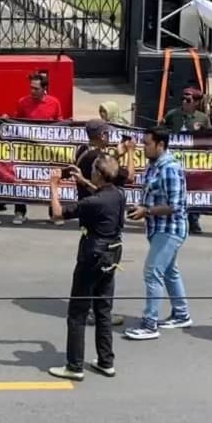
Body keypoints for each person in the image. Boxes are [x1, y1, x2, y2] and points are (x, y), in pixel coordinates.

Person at [46, 155, 125, 381]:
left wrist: (54, 187)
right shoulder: (118, 194)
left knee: (77, 312)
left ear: (98, 173)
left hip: (93, 255)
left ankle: (74, 366)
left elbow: (57, 215)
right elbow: (101, 193)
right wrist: (82, 181)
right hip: (112, 253)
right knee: (103, 309)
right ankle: (106, 361)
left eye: (92, 170)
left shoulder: (93, 203)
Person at [125, 128, 191, 340]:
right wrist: (141, 208)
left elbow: (175, 206)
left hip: (169, 229)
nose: (143, 148)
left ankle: (149, 324)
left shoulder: (169, 168)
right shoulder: (154, 166)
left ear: (160, 144)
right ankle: (181, 314)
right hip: (157, 228)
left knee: (152, 272)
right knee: (170, 271)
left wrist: (147, 211)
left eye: (147, 144)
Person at [10, 73, 64, 224]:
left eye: (36, 88)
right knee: (21, 178)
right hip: (27, 151)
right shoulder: (22, 102)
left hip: (47, 152)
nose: (32, 91)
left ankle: (54, 214)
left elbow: (60, 124)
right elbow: (16, 122)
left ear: (44, 88)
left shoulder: (54, 103)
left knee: (51, 180)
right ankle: (20, 212)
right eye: (31, 88)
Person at [163, 88, 209, 235]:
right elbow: (161, 131)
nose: (184, 102)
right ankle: (172, 217)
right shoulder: (172, 115)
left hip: (193, 160)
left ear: (196, 102)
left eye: (188, 100)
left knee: (192, 189)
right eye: (182, 99)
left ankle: (193, 220)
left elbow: (210, 139)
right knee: (172, 189)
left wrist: (200, 131)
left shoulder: (202, 118)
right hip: (174, 159)